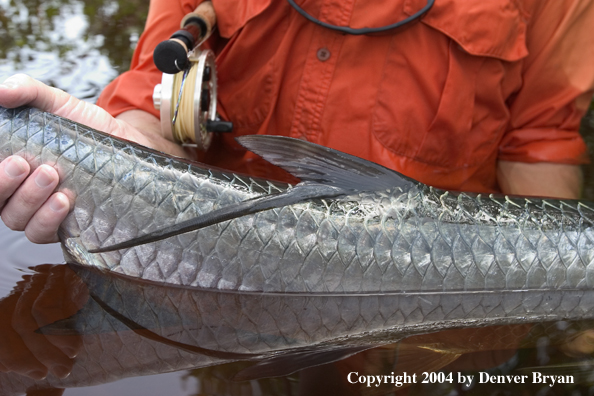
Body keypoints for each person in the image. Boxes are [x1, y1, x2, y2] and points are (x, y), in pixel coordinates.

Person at [1, 0, 593, 244]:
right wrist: (112, 170)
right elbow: (153, 108)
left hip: (437, 305)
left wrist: (552, 315)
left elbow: (541, 139)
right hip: (220, 266)